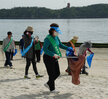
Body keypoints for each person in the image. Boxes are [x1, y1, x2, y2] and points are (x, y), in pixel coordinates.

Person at [43, 23, 73, 93]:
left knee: (57, 73)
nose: (57, 33)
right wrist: (53, 54)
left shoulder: (56, 37)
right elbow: (45, 49)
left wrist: (68, 48)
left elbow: (60, 45)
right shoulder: (47, 39)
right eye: (56, 31)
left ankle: (48, 83)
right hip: (48, 58)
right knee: (51, 74)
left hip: (54, 58)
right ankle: (52, 89)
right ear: (52, 31)